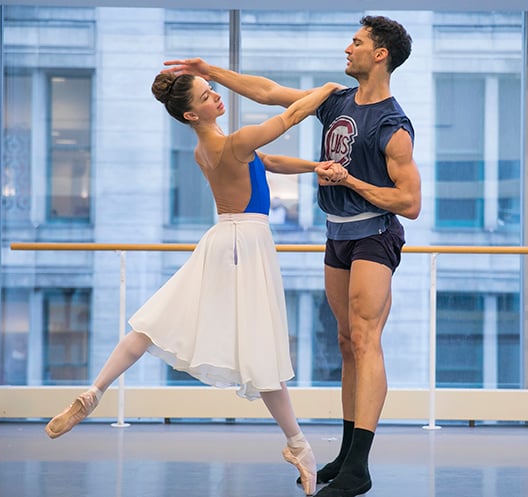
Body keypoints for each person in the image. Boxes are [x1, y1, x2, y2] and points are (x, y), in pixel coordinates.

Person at [44, 71, 346, 497]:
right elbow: (292, 116)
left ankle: (95, 391)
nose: (217, 97)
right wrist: (330, 91)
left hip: (222, 239)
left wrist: (315, 167)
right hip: (246, 243)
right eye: (208, 96)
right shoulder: (235, 142)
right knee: (261, 351)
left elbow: (269, 162)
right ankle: (298, 445)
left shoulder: (205, 151)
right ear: (190, 112)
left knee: (154, 324)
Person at [163, 14, 422, 497]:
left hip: (374, 234)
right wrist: (211, 71)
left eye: (358, 42)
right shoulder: (336, 101)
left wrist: (351, 181)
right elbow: (267, 92)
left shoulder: (393, 126)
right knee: (346, 341)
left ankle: (359, 468)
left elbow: (410, 204)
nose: (349, 48)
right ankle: (346, 454)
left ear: (380, 54)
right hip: (337, 233)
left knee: (366, 339)